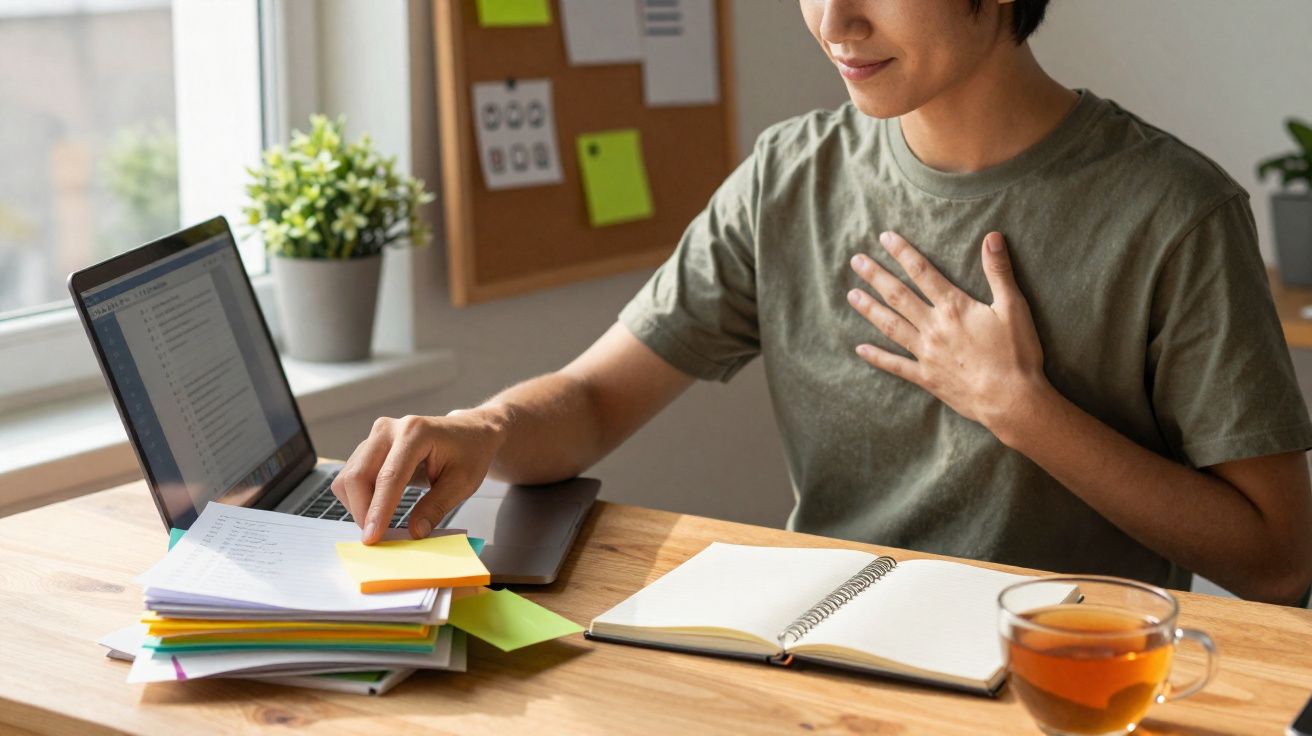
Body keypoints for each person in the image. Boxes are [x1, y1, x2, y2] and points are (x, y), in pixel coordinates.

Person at [331, 0, 1312, 604]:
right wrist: (481, 426)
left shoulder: (1173, 212)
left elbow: (1276, 559)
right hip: (824, 658)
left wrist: (1022, 410)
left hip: (1065, 682)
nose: (834, 21)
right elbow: (593, 401)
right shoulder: (787, 177)